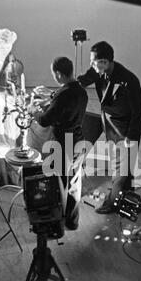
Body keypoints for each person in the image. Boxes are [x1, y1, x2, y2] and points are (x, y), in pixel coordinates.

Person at [78, 41, 141, 213]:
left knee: (121, 170)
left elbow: (138, 111)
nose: (92, 66)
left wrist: (131, 136)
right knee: (121, 166)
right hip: (110, 125)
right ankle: (125, 197)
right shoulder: (98, 71)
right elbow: (83, 81)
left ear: (105, 62)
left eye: (94, 62)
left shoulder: (129, 80)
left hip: (126, 129)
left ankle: (112, 203)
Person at [30, 57, 88, 230]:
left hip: (63, 145)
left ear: (59, 74)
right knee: (74, 184)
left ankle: (56, 224)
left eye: (54, 75)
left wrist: (34, 111)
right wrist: (52, 95)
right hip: (78, 140)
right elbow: (65, 98)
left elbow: (45, 120)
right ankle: (72, 221)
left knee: (59, 184)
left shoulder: (63, 95)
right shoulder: (80, 90)